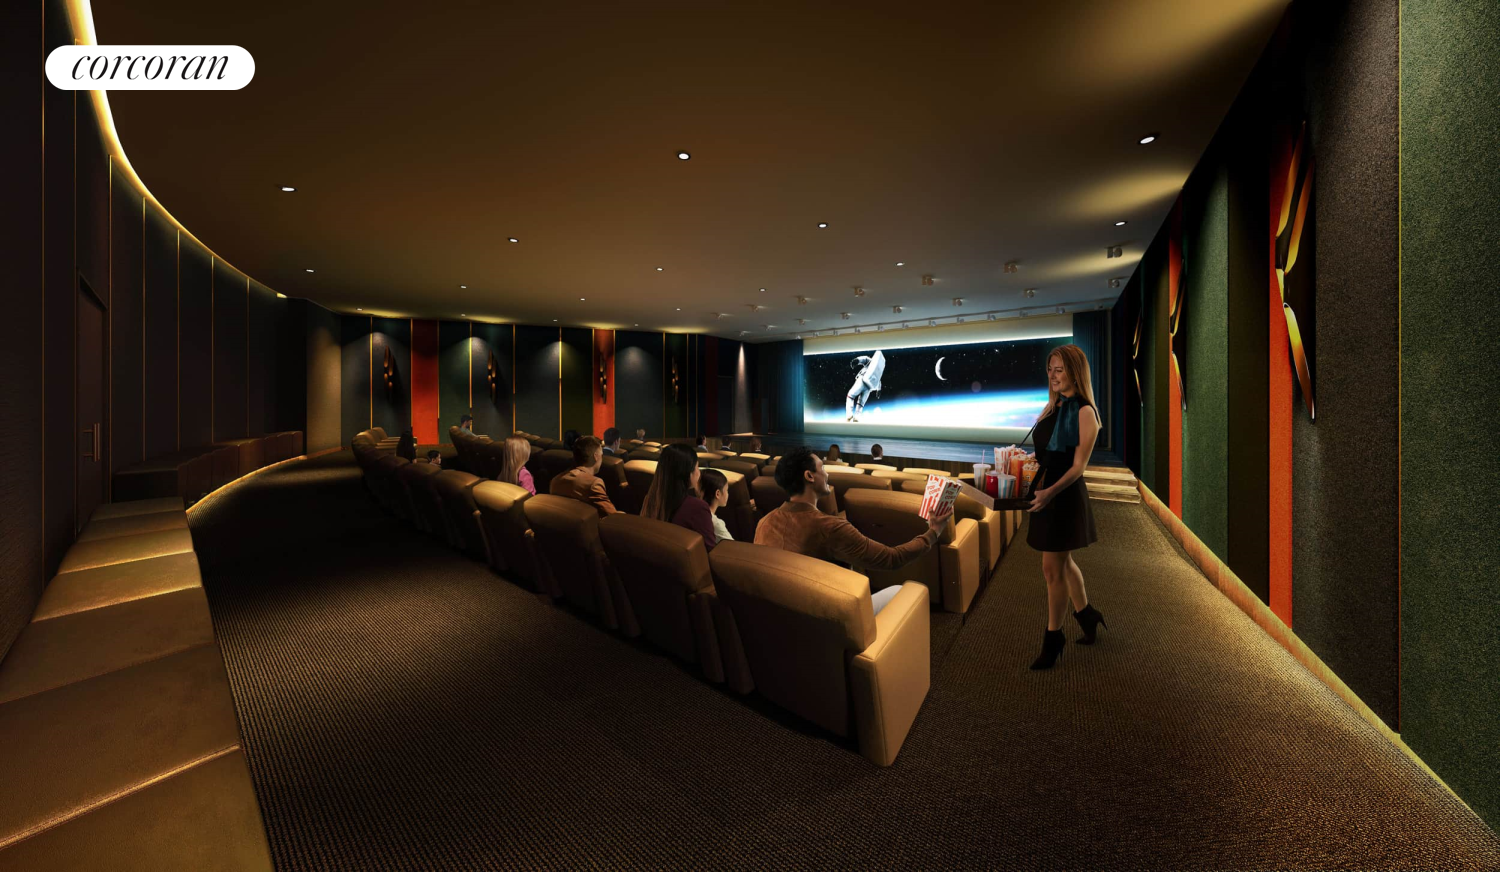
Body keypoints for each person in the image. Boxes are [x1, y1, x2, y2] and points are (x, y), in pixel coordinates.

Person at [755, 447, 951, 614]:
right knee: (905, 591)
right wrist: (933, 532)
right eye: (823, 468)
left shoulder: (764, 522)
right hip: (829, 619)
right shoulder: (830, 527)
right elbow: (892, 559)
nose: (827, 474)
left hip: (785, 620)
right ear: (809, 476)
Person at [1025, 343, 1106, 671]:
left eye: (1059, 370)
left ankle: (1053, 638)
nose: (1053, 375)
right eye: (1050, 369)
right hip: (1045, 494)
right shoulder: (1053, 406)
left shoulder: (1086, 412)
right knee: (1063, 561)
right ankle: (1087, 615)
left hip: (1064, 498)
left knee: (1052, 569)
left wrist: (1049, 492)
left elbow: (1077, 468)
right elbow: (1047, 452)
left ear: (1075, 372)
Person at [640, 444, 717, 552]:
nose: (699, 472)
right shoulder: (698, 508)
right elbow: (711, 550)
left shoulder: (650, 499)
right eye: (697, 467)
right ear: (688, 473)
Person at [549, 435, 616, 516]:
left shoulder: (555, 481)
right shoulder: (594, 484)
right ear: (596, 456)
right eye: (601, 455)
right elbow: (612, 516)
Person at [845, 350, 885, 422]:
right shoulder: (877, 371)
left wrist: (857, 360)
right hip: (869, 388)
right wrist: (879, 390)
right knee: (861, 404)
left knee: (850, 396)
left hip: (862, 381)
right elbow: (878, 381)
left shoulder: (871, 362)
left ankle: (849, 414)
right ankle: (857, 417)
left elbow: (865, 359)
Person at [698, 468, 733, 544]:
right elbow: (733, 547)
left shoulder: (695, 513)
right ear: (718, 494)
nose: (728, 494)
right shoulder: (716, 524)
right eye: (726, 490)